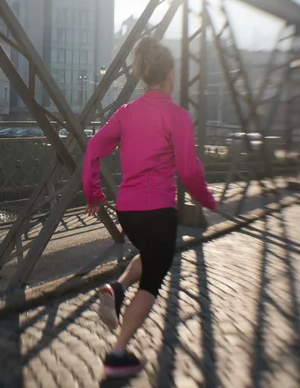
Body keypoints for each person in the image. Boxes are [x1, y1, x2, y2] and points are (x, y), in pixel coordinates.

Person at [82, 36, 217, 378]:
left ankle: (116, 289)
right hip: (158, 210)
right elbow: (188, 170)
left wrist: (94, 193)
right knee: (153, 282)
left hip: (128, 212)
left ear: (145, 74)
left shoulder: (126, 113)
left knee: (152, 255)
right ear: (171, 75)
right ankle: (116, 354)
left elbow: (94, 148)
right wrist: (207, 199)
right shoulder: (179, 117)